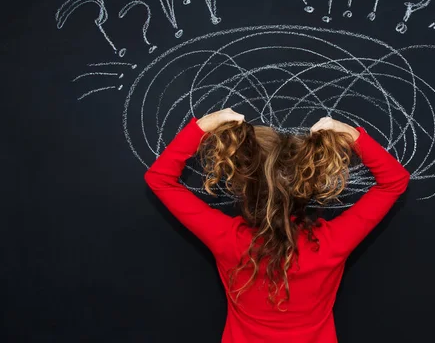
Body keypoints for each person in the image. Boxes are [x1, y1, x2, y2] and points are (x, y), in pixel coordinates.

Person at [145, 108, 410, 343]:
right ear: (308, 186)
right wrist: (350, 134)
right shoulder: (333, 242)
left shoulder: (228, 238)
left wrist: (204, 125)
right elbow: (394, 181)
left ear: (246, 185)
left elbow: (160, 179)